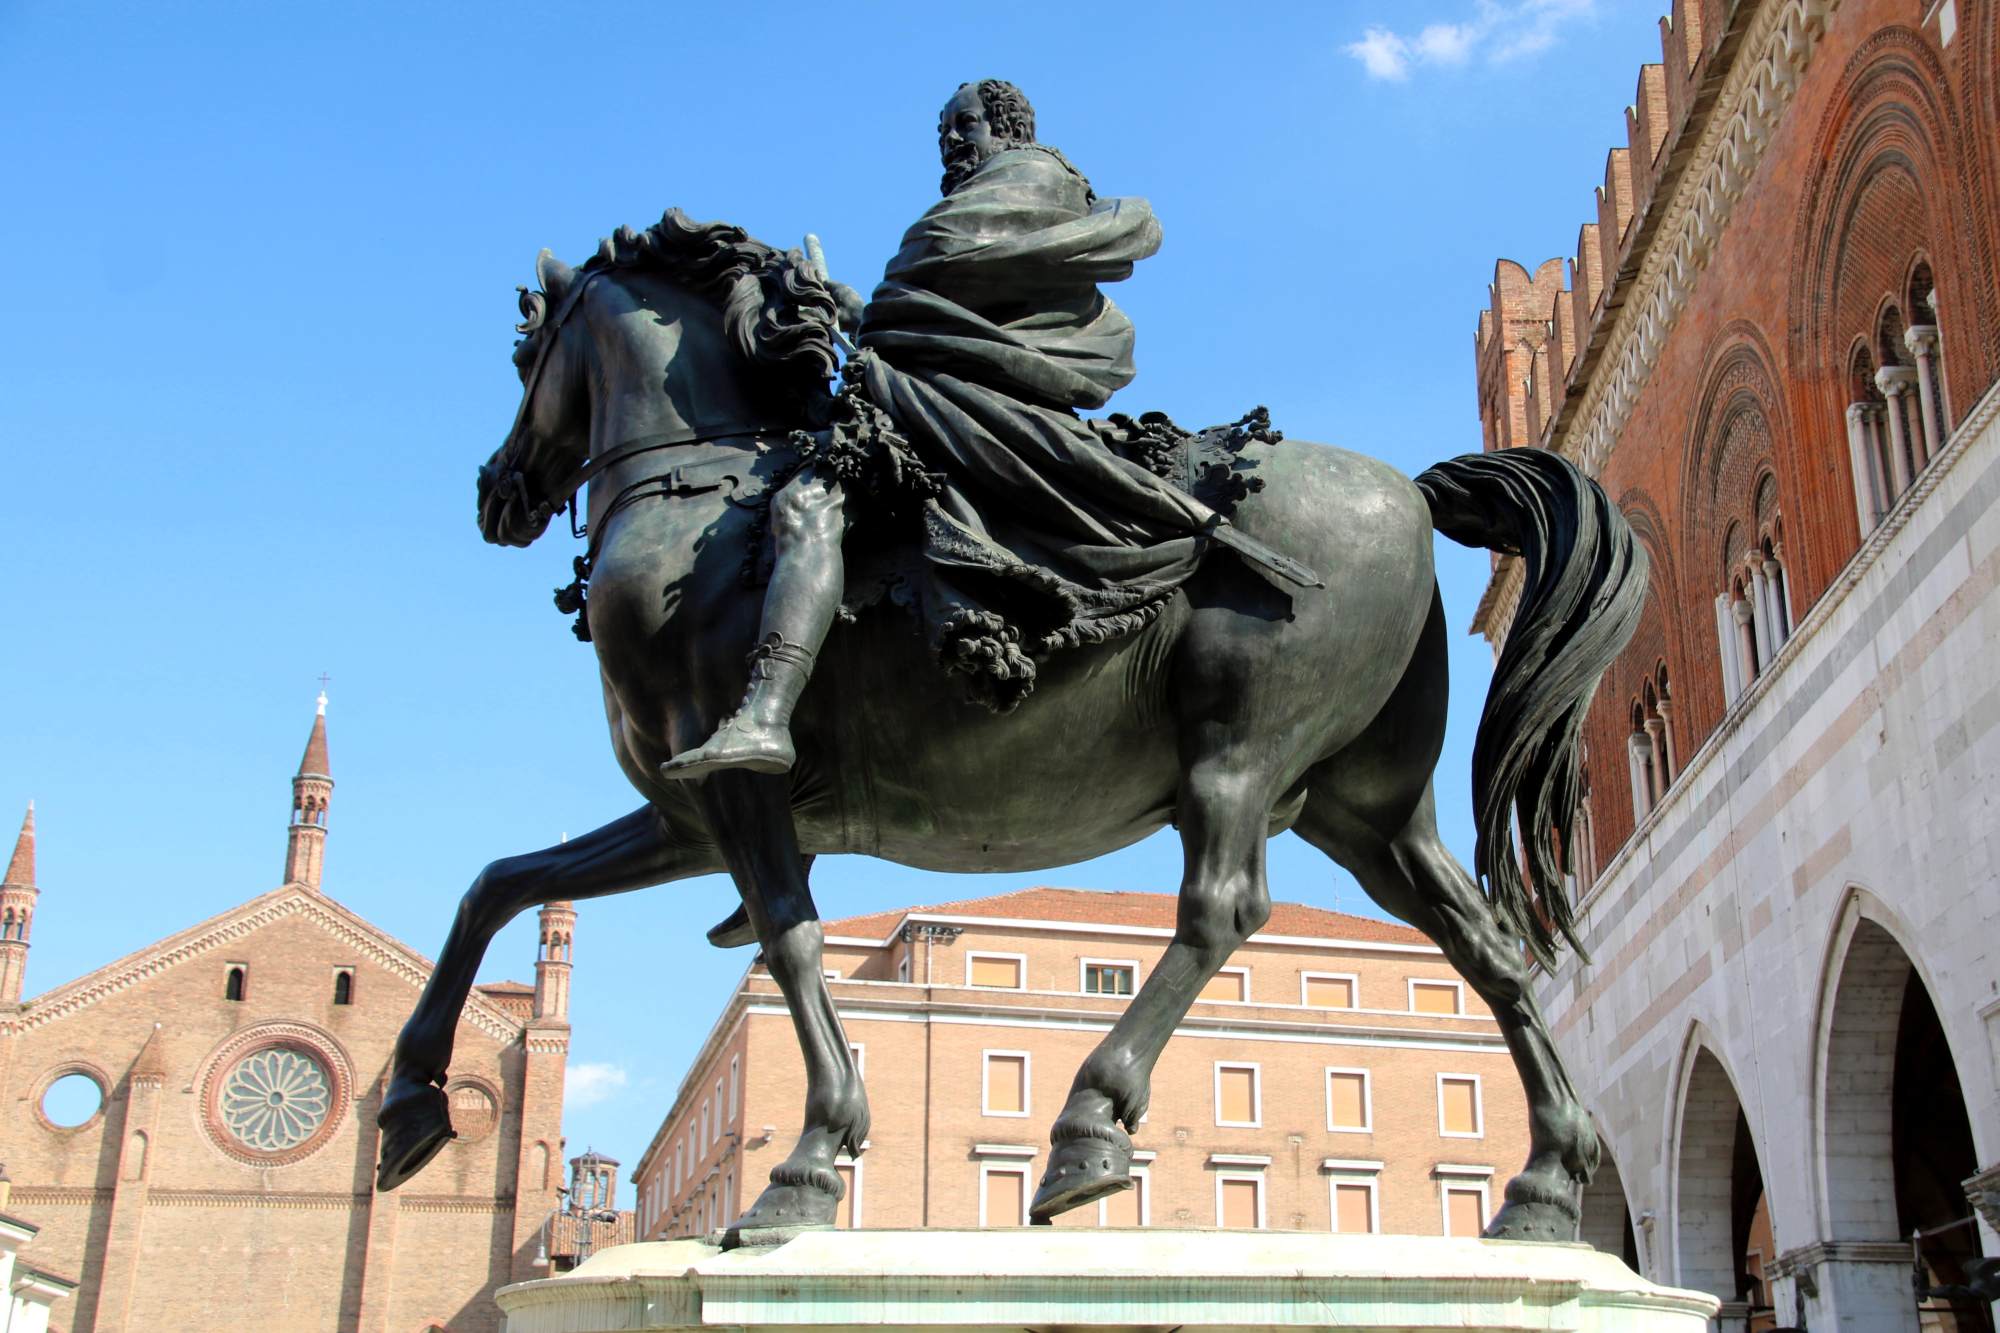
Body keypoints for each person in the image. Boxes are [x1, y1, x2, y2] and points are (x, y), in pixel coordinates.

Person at [659, 79, 1308, 781]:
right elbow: (943, 308)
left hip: (970, 401)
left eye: (962, 124)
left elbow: (931, 277)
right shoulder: (1021, 195)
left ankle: (766, 713)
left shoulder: (1026, 176)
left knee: (807, 503)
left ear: (1007, 124)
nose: (950, 140)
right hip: (950, 385)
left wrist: (867, 317)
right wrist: (856, 311)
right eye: (942, 129)